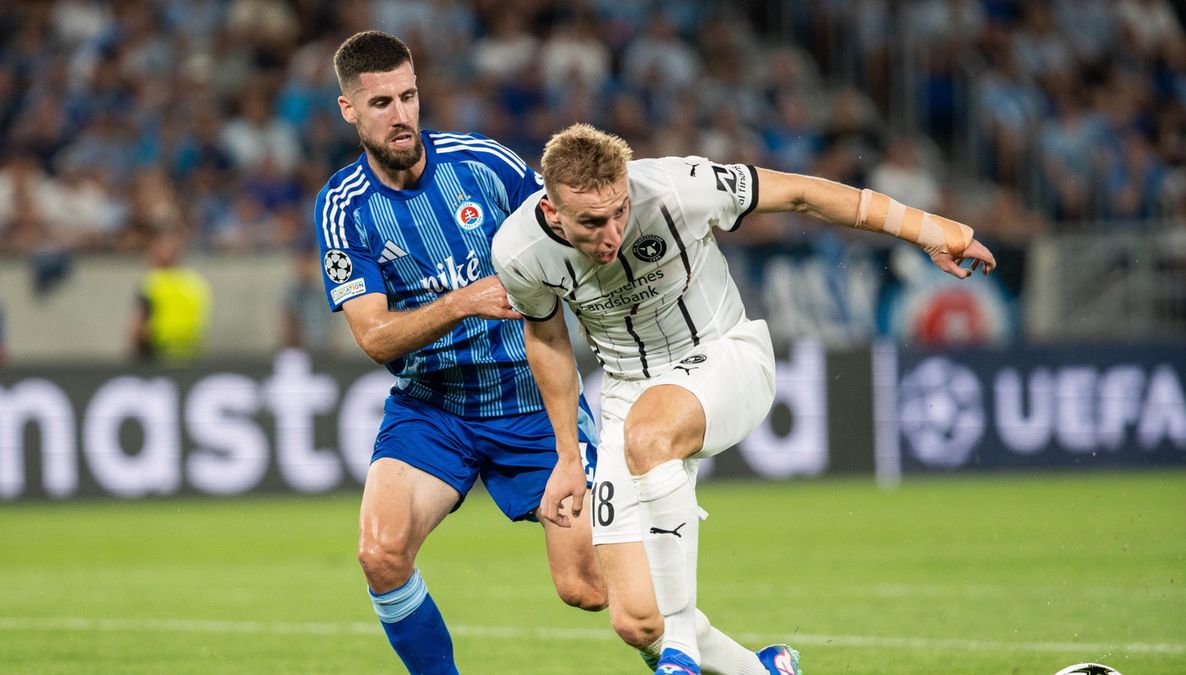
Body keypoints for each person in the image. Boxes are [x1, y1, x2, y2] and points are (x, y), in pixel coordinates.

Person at [493, 123, 997, 675]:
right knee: (637, 620)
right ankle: (763, 671)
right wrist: (568, 455)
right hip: (625, 394)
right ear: (552, 208)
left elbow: (804, 194)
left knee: (651, 436)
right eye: (592, 222)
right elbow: (546, 340)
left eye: (620, 211)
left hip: (726, 355)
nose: (612, 233)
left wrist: (929, 229)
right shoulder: (518, 252)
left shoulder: (678, 187)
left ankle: (681, 651)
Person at [314, 32, 604, 675]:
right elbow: (373, 336)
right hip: (434, 407)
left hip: (531, 400)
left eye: (410, 97)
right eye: (382, 102)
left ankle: (739, 662)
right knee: (381, 554)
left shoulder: (485, 164)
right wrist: (458, 302)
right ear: (349, 111)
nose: (401, 115)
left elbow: (564, 236)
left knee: (589, 588)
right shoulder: (344, 208)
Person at [129, 229, 212, 364]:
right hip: (191, 354)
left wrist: (136, 355)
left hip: (158, 353)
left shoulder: (152, 282)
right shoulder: (196, 282)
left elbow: (140, 326)